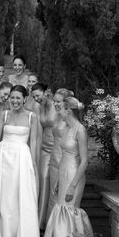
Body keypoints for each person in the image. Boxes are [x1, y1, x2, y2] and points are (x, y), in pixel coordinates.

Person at [37, 97, 98, 237]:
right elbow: (62, 154)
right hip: (62, 173)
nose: (58, 111)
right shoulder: (67, 128)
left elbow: (85, 161)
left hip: (74, 175)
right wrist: (57, 183)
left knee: (69, 214)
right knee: (60, 212)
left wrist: (72, 185)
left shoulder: (80, 130)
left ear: (68, 111)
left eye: (60, 108)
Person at [0, 85, 41, 237]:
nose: (15, 101)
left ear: (25, 99)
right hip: (3, 157)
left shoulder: (32, 117)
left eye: (18, 98)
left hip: (21, 160)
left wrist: (33, 165)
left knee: (19, 202)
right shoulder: (4, 114)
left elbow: (33, 142)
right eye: (12, 98)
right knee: (2, 201)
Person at [46, 88, 74, 222]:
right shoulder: (58, 116)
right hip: (54, 161)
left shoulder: (70, 121)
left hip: (65, 163)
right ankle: (51, 235)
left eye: (58, 102)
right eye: (54, 101)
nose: (55, 104)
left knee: (61, 200)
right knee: (53, 198)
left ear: (66, 103)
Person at [31, 82, 56, 230]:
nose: (36, 99)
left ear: (46, 92)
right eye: (34, 97)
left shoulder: (57, 105)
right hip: (45, 148)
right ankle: (40, 221)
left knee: (53, 182)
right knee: (43, 179)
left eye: (38, 95)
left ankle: (52, 222)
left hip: (57, 147)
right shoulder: (39, 107)